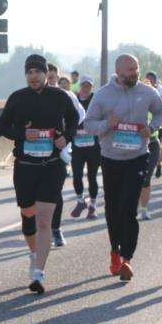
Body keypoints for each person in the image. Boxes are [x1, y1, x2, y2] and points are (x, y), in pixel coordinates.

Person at [0, 54, 78, 294]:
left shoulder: (60, 97)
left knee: (44, 220)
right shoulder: (18, 98)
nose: (33, 76)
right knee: (28, 213)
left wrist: (67, 137)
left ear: (45, 74)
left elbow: (74, 119)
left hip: (52, 165)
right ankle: (33, 254)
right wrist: (22, 134)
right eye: (29, 72)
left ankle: (39, 274)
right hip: (25, 165)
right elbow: (3, 127)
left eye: (37, 72)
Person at [84, 54, 162, 281]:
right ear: (118, 71)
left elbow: (161, 113)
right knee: (113, 209)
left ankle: (127, 259)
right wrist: (107, 124)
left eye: (136, 68)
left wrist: (152, 128)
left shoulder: (148, 92)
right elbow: (89, 125)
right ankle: (115, 251)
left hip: (137, 156)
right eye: (129, 70)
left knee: (129, 208)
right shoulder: (103, 95)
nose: (134, 73)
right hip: (111, 158)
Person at [46, 63, 87, 246]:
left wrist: (67, 132)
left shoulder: (67, 96)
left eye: (52, 77)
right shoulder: (31, 96)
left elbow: (80, 115)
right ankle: (42, 228)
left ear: (57, 78)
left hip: (60, 150)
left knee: (55, 191)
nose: (49, 81)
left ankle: (56, 229)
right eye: (46, 77)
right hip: (36, 150)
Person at [70, 75, 101, 219]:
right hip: (77, 145)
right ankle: (80, 201)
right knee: (76, 175)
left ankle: (93, 205)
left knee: (92, 176)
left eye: (88, 86)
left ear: (92, 87)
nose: (85, 88)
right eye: (83, 85)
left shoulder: (96, 100)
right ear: (80, 86)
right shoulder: (74, 100)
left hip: (93, 145)